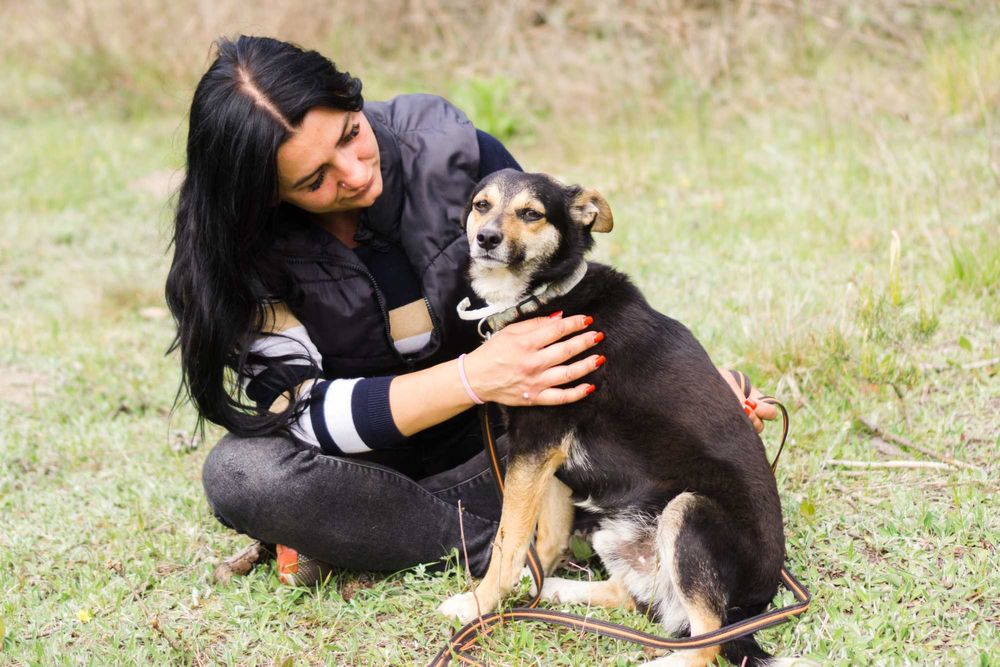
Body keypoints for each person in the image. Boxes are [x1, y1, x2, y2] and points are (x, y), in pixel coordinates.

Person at [166, 35, 776, 586]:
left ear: (353, 99)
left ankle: (384, 540)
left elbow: (556, 297)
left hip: (499, 446)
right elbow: (294, 412)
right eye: (315, 178)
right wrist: (471, 377)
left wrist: (688, 404)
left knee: (599, 440)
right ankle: (496, 546)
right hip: (356, 467)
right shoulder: (240, 255)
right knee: (243, 474)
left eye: (351, 134)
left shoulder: (453, 153)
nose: (354, 173)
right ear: (266, 194)